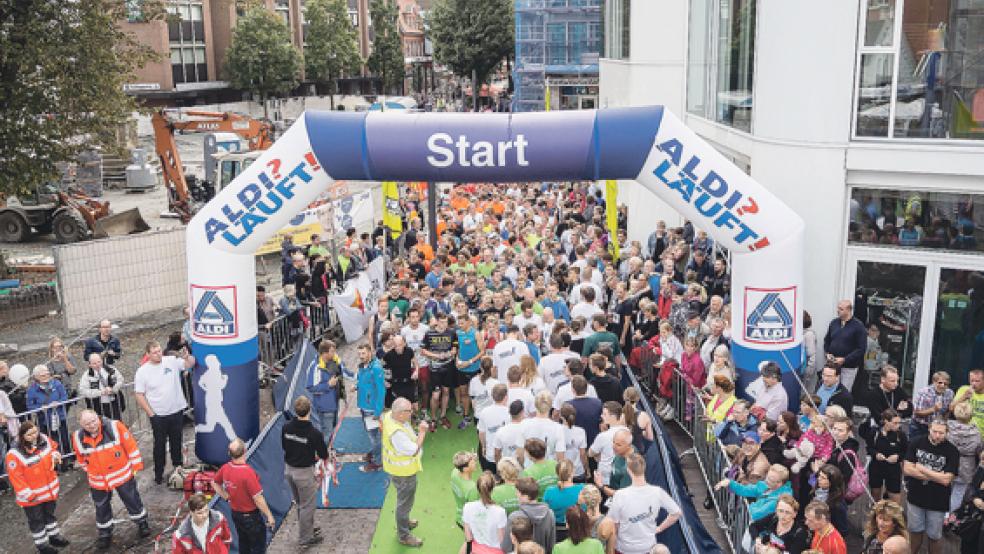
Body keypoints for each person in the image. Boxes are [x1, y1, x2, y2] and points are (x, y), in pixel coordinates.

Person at [72, 409, 150, 548]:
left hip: (121, 474)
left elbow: (130, 446)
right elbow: (81, 457)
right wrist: (90, 470)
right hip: (98, 480)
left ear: (98, 417)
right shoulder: (77, 437)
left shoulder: (114, 426)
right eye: (87, 423)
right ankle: (104, 533)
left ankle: (142, 522)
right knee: (101, 507)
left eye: (93, 421)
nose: (91, 425)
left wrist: (136, 465)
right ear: (81, 424)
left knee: (131, 499)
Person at [134, 340, 195, 484]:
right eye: (154, 352)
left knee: (177, 441)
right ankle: (158, 473)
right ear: (148, 354)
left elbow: (189, 364)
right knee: (159, 445)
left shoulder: (171, 361)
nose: (158, 354)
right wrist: (151, 414)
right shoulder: (142, 371)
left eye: (159, 351)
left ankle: (178, 467)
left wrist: (186, 357)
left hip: (176, 410)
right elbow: (139, 394)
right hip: (158, 415)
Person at [6, 421, 70, 554]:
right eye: (30, 435)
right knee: (36, 521)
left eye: (35, 432)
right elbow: (16, 478)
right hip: (32, 497)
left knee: (49, 515)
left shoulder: (44, 439)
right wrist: (29, 495)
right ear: (22, 436)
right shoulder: (14, 454)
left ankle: (54, 536)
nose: (34, 436)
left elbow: (53, 447)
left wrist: (55, 455)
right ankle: (42, 545)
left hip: (48, 491)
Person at [903, 418, 959, 554]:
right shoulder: (916, 442)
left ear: (947, 433)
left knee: (934, 536)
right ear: (929, 429)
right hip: (916, 496)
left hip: (938, 501)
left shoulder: (952, 451)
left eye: (941, 433)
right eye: (935, 431)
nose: (937, 435)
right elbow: (907, 469)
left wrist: (922, 469)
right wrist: (937, 476)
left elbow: (947, 480)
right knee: (915, 531)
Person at [607, 453, 681, 554]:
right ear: (644, 468)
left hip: (625, 548)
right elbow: (676, 513)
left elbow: (613, 525)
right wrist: (659, 528)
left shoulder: (620, 495)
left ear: (628, 470)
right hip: (648, 547)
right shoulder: (657, 492)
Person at [211, 438, 275, 554]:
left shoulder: (225, 468)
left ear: (229, 453)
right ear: (245, 451)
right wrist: (269, 516)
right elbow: (258, 498)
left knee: (243, 543)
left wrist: (227, 497)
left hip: (236, 514)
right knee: (258, 547)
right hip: (251, 517)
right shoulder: (248, 473)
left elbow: (214, 483)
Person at [381, 397, 430, 548]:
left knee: (404, 501)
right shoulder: (397, 434)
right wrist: (422, 432)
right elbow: (413, 450)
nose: (412, 412)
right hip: (404, 473)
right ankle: (404, 535)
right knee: (404, 503)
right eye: (409, 411)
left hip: (398, 471)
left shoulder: (390, 416)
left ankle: (405, 521)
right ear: (400, 414)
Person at [281, 396, 327, 547]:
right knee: (307, 505)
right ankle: (305, 539)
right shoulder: (314, 433)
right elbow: (324, 454)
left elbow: (284, 446)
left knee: (301, 503)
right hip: (304, 473)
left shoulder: (286, 427)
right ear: (309, 410)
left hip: (289, 470)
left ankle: (307, 529)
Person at [715, 464, 793, 523]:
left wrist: (748, 507)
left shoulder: (779, 500)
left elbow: (756, 514)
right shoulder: (766, 485)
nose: (767, 481)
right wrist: (730, 482)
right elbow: (746, 489)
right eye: (767, 477)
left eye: (771, 480)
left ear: (780, 484)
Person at [26, 365, 70, 463]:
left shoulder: (57, 384)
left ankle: (68, 459)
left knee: (64, 438)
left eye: (47, 374)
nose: (46, 376)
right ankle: (53, 462)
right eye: (42, 375)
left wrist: (58, 403)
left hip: (60, 417)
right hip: (44, 420)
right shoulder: (32, 390)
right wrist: (40, 408)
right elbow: (29, 406)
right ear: (36, 377)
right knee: (49, 441)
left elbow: (65, 397)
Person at [421, 312, 458, 430]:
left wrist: (451, 352)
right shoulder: (429, 333)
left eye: (446, 322)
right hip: (435, 369)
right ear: (436, 321)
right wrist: (436, 356)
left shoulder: (452, 332)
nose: (444, 324)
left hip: (448, 367)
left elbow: (455, 347)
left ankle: (442, 416)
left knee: (446, 391)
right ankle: (433, 418)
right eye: (441, 322)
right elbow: (423, 350)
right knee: (435, 395)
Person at [501, 477, 556, 553]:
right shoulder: (550, 514)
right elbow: (551, 544)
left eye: (517, 492)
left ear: (525, 496)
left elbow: (506, 547)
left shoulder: (514, 517)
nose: (516, 494)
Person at [822, 300, 867, 393]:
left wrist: (845, 359)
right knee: (830, 389)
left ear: (849, 310)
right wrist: (827, 353)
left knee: (843, 391)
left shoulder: (858, 326)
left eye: (841, 309)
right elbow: (827, 340)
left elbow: (861, 348)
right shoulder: (834, 323)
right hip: (833, 366)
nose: (838, 311)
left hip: (849, 367)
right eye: (838, 308)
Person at [308, 340, 346, 441]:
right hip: (324, 407)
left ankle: (330, 450)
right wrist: (328, 385)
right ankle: (324, 454)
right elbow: (311, 388)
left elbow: (343, 371)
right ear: (325, 353)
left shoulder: (333, 361)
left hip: (334, 404)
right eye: (332, 351)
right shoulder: (315, 367)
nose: (335, 353)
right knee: (327, 432)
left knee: (332, 430)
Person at [355, 343, 386, 472]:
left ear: (370, 353)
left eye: (363, 353)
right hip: (364, 406)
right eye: (359, 354)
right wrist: (357, 386)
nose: (361, 356)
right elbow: (365, 383)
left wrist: (378, 411)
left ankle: (377, 462)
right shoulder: (363, 366)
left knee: (374, 437)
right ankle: (374, 453)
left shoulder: (376, 368)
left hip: (371, 409)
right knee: (372, 435)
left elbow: (381, 390)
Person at [947, 401, 981, 512]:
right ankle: (950, 518)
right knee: (958, 492)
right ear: (970, 415)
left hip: (948, 462)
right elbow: (978, 450)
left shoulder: (948, 428)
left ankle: (940, 515)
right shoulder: (976, 432)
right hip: (967, 464)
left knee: (944, 490)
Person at [462, 471, 508, 554]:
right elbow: (502, 540)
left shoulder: (467, 507)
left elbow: (468, 537)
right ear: (493, 487)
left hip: (476, 550)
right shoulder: (500, 511)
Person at [869, 408, 907, 504]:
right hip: (876, 467)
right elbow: (869, 448)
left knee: (895, 501)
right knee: (875, 497)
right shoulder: (875, 432)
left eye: (899, 423)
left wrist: (898, 457)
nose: (898, 426)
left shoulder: (901, 435)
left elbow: (906, 451)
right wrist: (876, 454)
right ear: (886, 421)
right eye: (895, 423)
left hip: (893, 469)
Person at [79, 353, 125, 421]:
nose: (98, 365)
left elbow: (120, 380)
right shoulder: (86, 376)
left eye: (99, 362)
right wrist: (100, 392)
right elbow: (83, 391)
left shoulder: (111, 369)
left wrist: (113, 389)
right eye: (94, 363)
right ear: (90, 364)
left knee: (117, 423)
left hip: (114, 402)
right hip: (98, 405)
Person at [456, 314, 484, 428]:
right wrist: (457, 361)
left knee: (476, 393)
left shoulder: (476, 333)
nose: (460, 325)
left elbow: (482, 351)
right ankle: (466, 416)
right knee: (463, 393)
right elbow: (457, 349)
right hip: (462, 369)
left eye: (462, 323)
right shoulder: (458, 333)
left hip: (474, 368)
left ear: (468, 322)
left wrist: (470, 362)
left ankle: (479, 417)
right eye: (459, 323)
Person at [910, 371, 953, 444]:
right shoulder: (924, 392)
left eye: (945, 384)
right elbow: (917, 412)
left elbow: (947, 411)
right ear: (934, 382)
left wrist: (944, 421)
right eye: (940, 383)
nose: (942, 385)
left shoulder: (949, 393)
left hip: (937, 428)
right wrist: (933, 409)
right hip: (921, 426)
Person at [452, 451, 479, 528]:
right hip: (468, 522)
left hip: (459, 516)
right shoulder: (472, 489)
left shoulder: (454, 473)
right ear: (465, 469)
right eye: (472, 462)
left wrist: (471, 457)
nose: (475, 463)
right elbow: (475, 511)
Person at [953, 368, 984, 437]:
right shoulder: (964, 389)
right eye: (971, 381)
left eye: (977, 381)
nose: (973, 384)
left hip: (981, 436)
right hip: (962, 433)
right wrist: (964, 397)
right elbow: (951, 408)